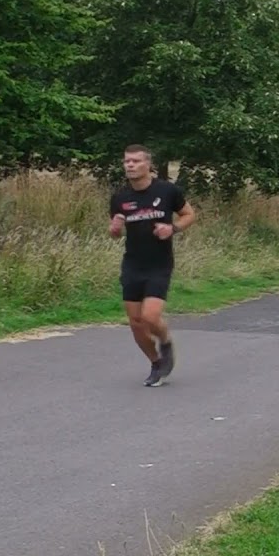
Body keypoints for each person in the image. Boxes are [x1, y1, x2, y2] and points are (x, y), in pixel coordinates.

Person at [109, 145, 197, 387]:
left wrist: (173, 228)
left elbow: (189, 214)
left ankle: (165, 340)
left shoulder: (167, 191)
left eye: (135, 161)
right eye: (126, 161)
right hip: (132, 264)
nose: (129, 165)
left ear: (148, 165)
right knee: (136, 324)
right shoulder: (120, 198)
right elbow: (115, 231)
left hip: (159, 263)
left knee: (150, 316)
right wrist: (115, 229)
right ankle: (156, 363)